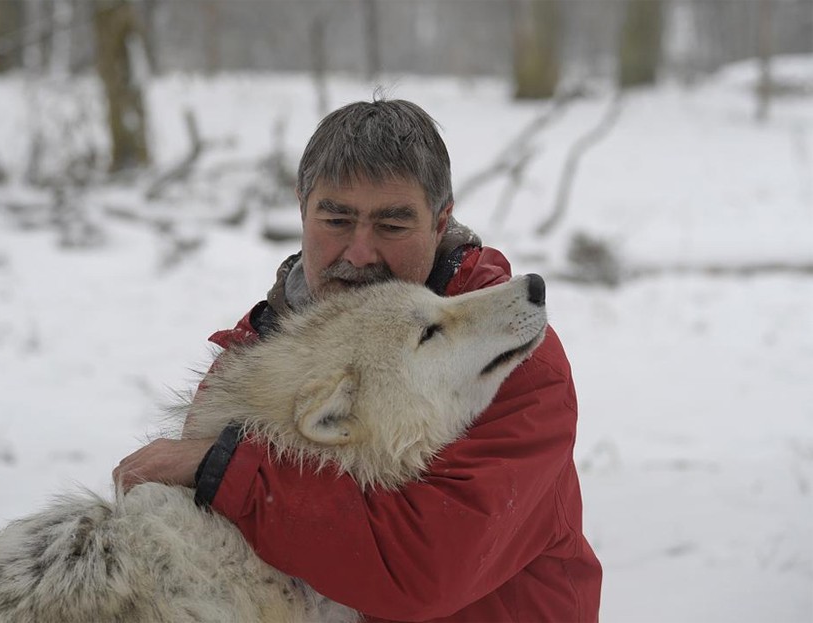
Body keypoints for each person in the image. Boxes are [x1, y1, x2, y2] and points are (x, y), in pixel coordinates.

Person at [114, 99, 603, 622]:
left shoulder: (507, 359)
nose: (361, 252)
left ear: (441, 221)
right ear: (303, 209)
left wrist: (226, 472)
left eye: (392, 225)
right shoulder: (250, 362)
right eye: (337, 219)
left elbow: (424, 569)